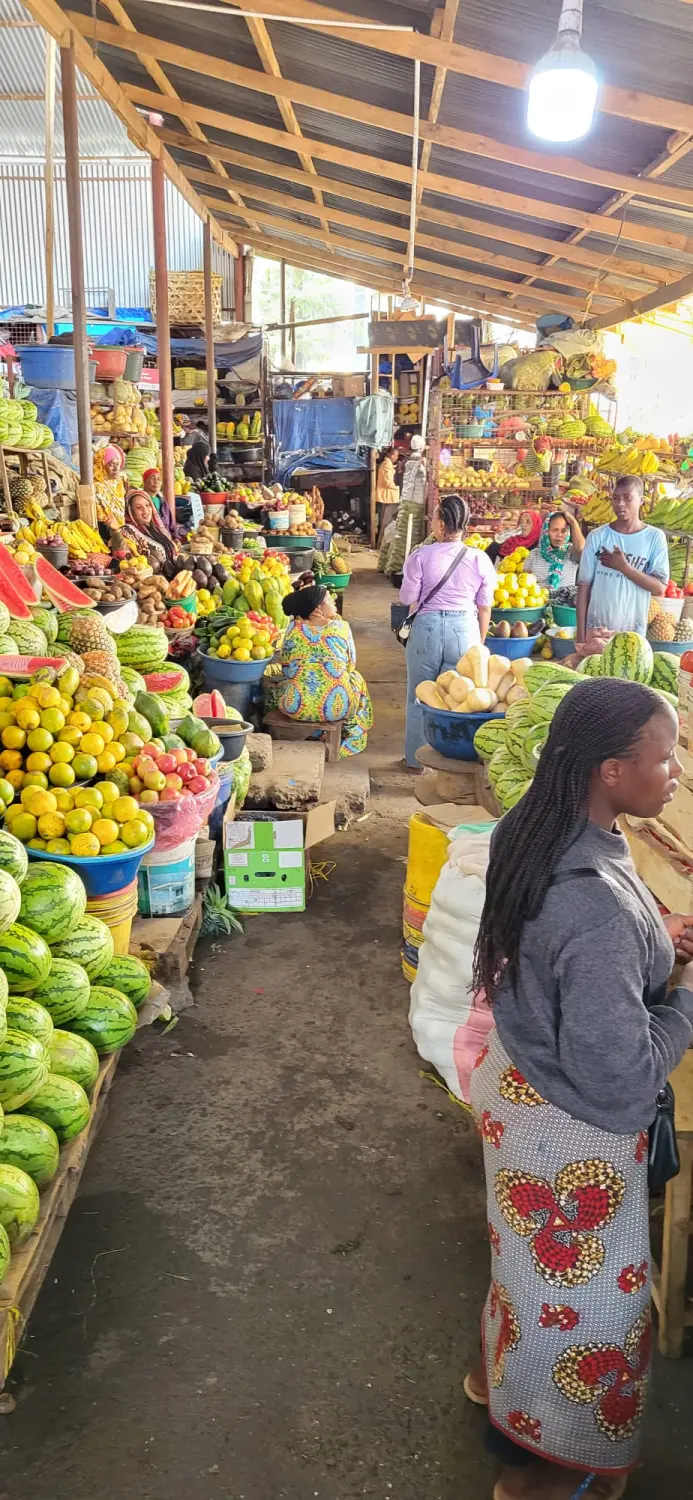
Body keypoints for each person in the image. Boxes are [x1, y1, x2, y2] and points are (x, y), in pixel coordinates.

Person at [468, 678, 693, 1500]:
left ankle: (491, 1387)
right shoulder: (593, 904)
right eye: (662, 759)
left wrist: (652, 943)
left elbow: (562, 956)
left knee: (526, 1274)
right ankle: (535, 1475)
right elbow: (624, 1076)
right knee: (594, 1313)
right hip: (569, 1130)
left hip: (516, 1086)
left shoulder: (534, 829)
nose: (673, 773)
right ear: (607, 769)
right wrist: (684, 1004)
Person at [400, 494, 495, 769]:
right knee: (459, 699)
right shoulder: (480, 559)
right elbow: (485, 608)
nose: (432, 522)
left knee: (418, 695)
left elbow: (408, 598)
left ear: (441, 525)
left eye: (435, 517)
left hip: (426, 630)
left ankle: (414, 760)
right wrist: (479, 644)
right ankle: (450, 762)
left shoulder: (421, 556)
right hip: (464, 629)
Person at [278, 583, 373, 757]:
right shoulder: (341, 627)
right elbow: (351, 665)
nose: (334, 601)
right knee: (357, 679)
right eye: (329, 599)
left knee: (281, 683)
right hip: (339, 708)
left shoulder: (293, 629)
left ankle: (315, 734)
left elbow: (286, 669)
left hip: (295, 707)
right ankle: (352, 737)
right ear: (317, 609)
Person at [577, 476, 668, 641]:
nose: (620, 503)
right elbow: (584, 587)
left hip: (633, 634)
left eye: (627, 498)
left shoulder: (654, 537)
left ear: (641, 500)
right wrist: (581, 637)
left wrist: (624, 567)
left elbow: (659, 588)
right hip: (597, 631)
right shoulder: (597, 536)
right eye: (616, 498)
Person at [526, 509, 585, 591]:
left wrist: (573, 522)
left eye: (563, 531)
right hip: (539, 602)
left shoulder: (571, 552)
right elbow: (524, 585)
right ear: (546, 531)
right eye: (554, 530)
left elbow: (581, 547)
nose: (559, 535)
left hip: (562, 603)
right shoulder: (534, 554)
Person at [121, 490, 180, 568]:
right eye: (139, 507)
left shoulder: (158, 528)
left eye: (147, 505)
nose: (145, 510)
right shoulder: (127, 532)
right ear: (130, 511)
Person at [141, 467, 186, 541]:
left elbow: (171, 525)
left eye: (159, 479)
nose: (156, 481)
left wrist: (175, 538)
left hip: (166, 540)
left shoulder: (162, 502)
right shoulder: (141, 501)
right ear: (144, 482)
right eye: (153, 478)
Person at [94, 444, 127, 531]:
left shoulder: (118, 483)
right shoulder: (98, 488)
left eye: (117, 464)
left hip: (121, 528)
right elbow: (101, 519)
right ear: (102, 466)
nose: (116, 468)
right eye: (111, 465)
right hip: (107, 531)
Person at [183, 421, 210, 486]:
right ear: (200, 456)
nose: (208, 458)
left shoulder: (198, 467)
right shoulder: (193, 473)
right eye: (206, 455)